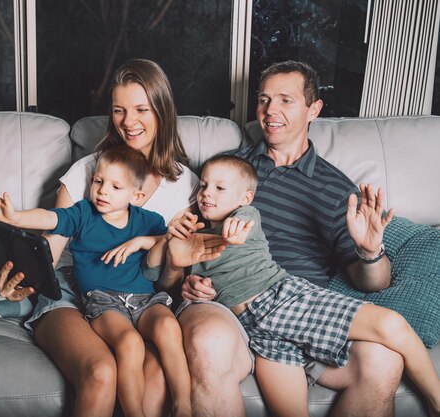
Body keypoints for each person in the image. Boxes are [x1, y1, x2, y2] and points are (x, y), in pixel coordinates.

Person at [169, 60, 406, 417]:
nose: (270, 111)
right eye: (264, 100)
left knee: (384, 360)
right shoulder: (227, 172)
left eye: (285, 100)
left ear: (314, 109)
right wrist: (190, 282)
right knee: (207, 342)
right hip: (226, 305)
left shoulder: (336, 189)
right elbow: (188, 241)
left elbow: (371, 282)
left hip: (299, 309)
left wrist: (371, 251)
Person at [0, 58, 200, 417]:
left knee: (155, 374)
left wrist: (163, 254)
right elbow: (50, 253)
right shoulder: (86, 173)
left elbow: (170, 275)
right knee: (101, 372)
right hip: (70, 291)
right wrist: (22, 280)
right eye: (119, 110)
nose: (129, 122)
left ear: (163, 110)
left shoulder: (185, 186)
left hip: (136, 296)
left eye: (141, 109)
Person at [165, 154, 440, 417]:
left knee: (390, 324)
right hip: (256, 330)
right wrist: (192, 282)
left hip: (281, 299)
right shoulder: (196, 234)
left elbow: (240, 225)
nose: (206, 192)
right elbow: (171, 273)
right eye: (203, 186)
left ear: (244, 197)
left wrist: (370, 251)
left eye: (219, 187)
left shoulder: (245, 215)